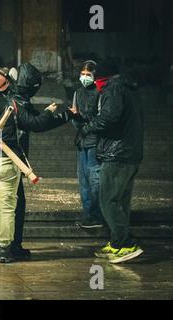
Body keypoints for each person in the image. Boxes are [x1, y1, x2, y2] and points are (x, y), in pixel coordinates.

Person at [0, 66, 75, 263]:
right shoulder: (11, 104)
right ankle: (5, 251)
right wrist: (49, 112)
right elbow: (33, 124)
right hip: (6, 162)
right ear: (5, 85)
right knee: (8, 208)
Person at [80, 60, 144, 264]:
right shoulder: (127, 88)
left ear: (101, 77)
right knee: (120, 201)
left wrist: (88, 127)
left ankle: (126, 243)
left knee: (108, 200)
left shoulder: (113, 89)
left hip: (117, 153)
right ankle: (118, 243)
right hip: (129, 152)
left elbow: (109, 117)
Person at [7, 62, 73, 259]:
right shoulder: (16, 102)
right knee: (15, 204)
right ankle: (11, 247)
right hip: (12, 160)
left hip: (8, 159)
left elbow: (37, 121)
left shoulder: (15, 100)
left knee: (7, 204)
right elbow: (36, 123)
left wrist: (65, 115)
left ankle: (0, 246)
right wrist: (51, 112)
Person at [71, 60, 104, 229]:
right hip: (81, 142)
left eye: (88, 75)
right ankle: (88, 214)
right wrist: (75, 119)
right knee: (83, 181)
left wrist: (87, 126)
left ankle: (97, 215)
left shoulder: (99, 92)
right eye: (82, 74)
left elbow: (101, 119)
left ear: (94, 76)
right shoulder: (77, 92)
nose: (84, 77)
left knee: (95, 180)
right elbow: (75, 114)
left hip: (94, 142)